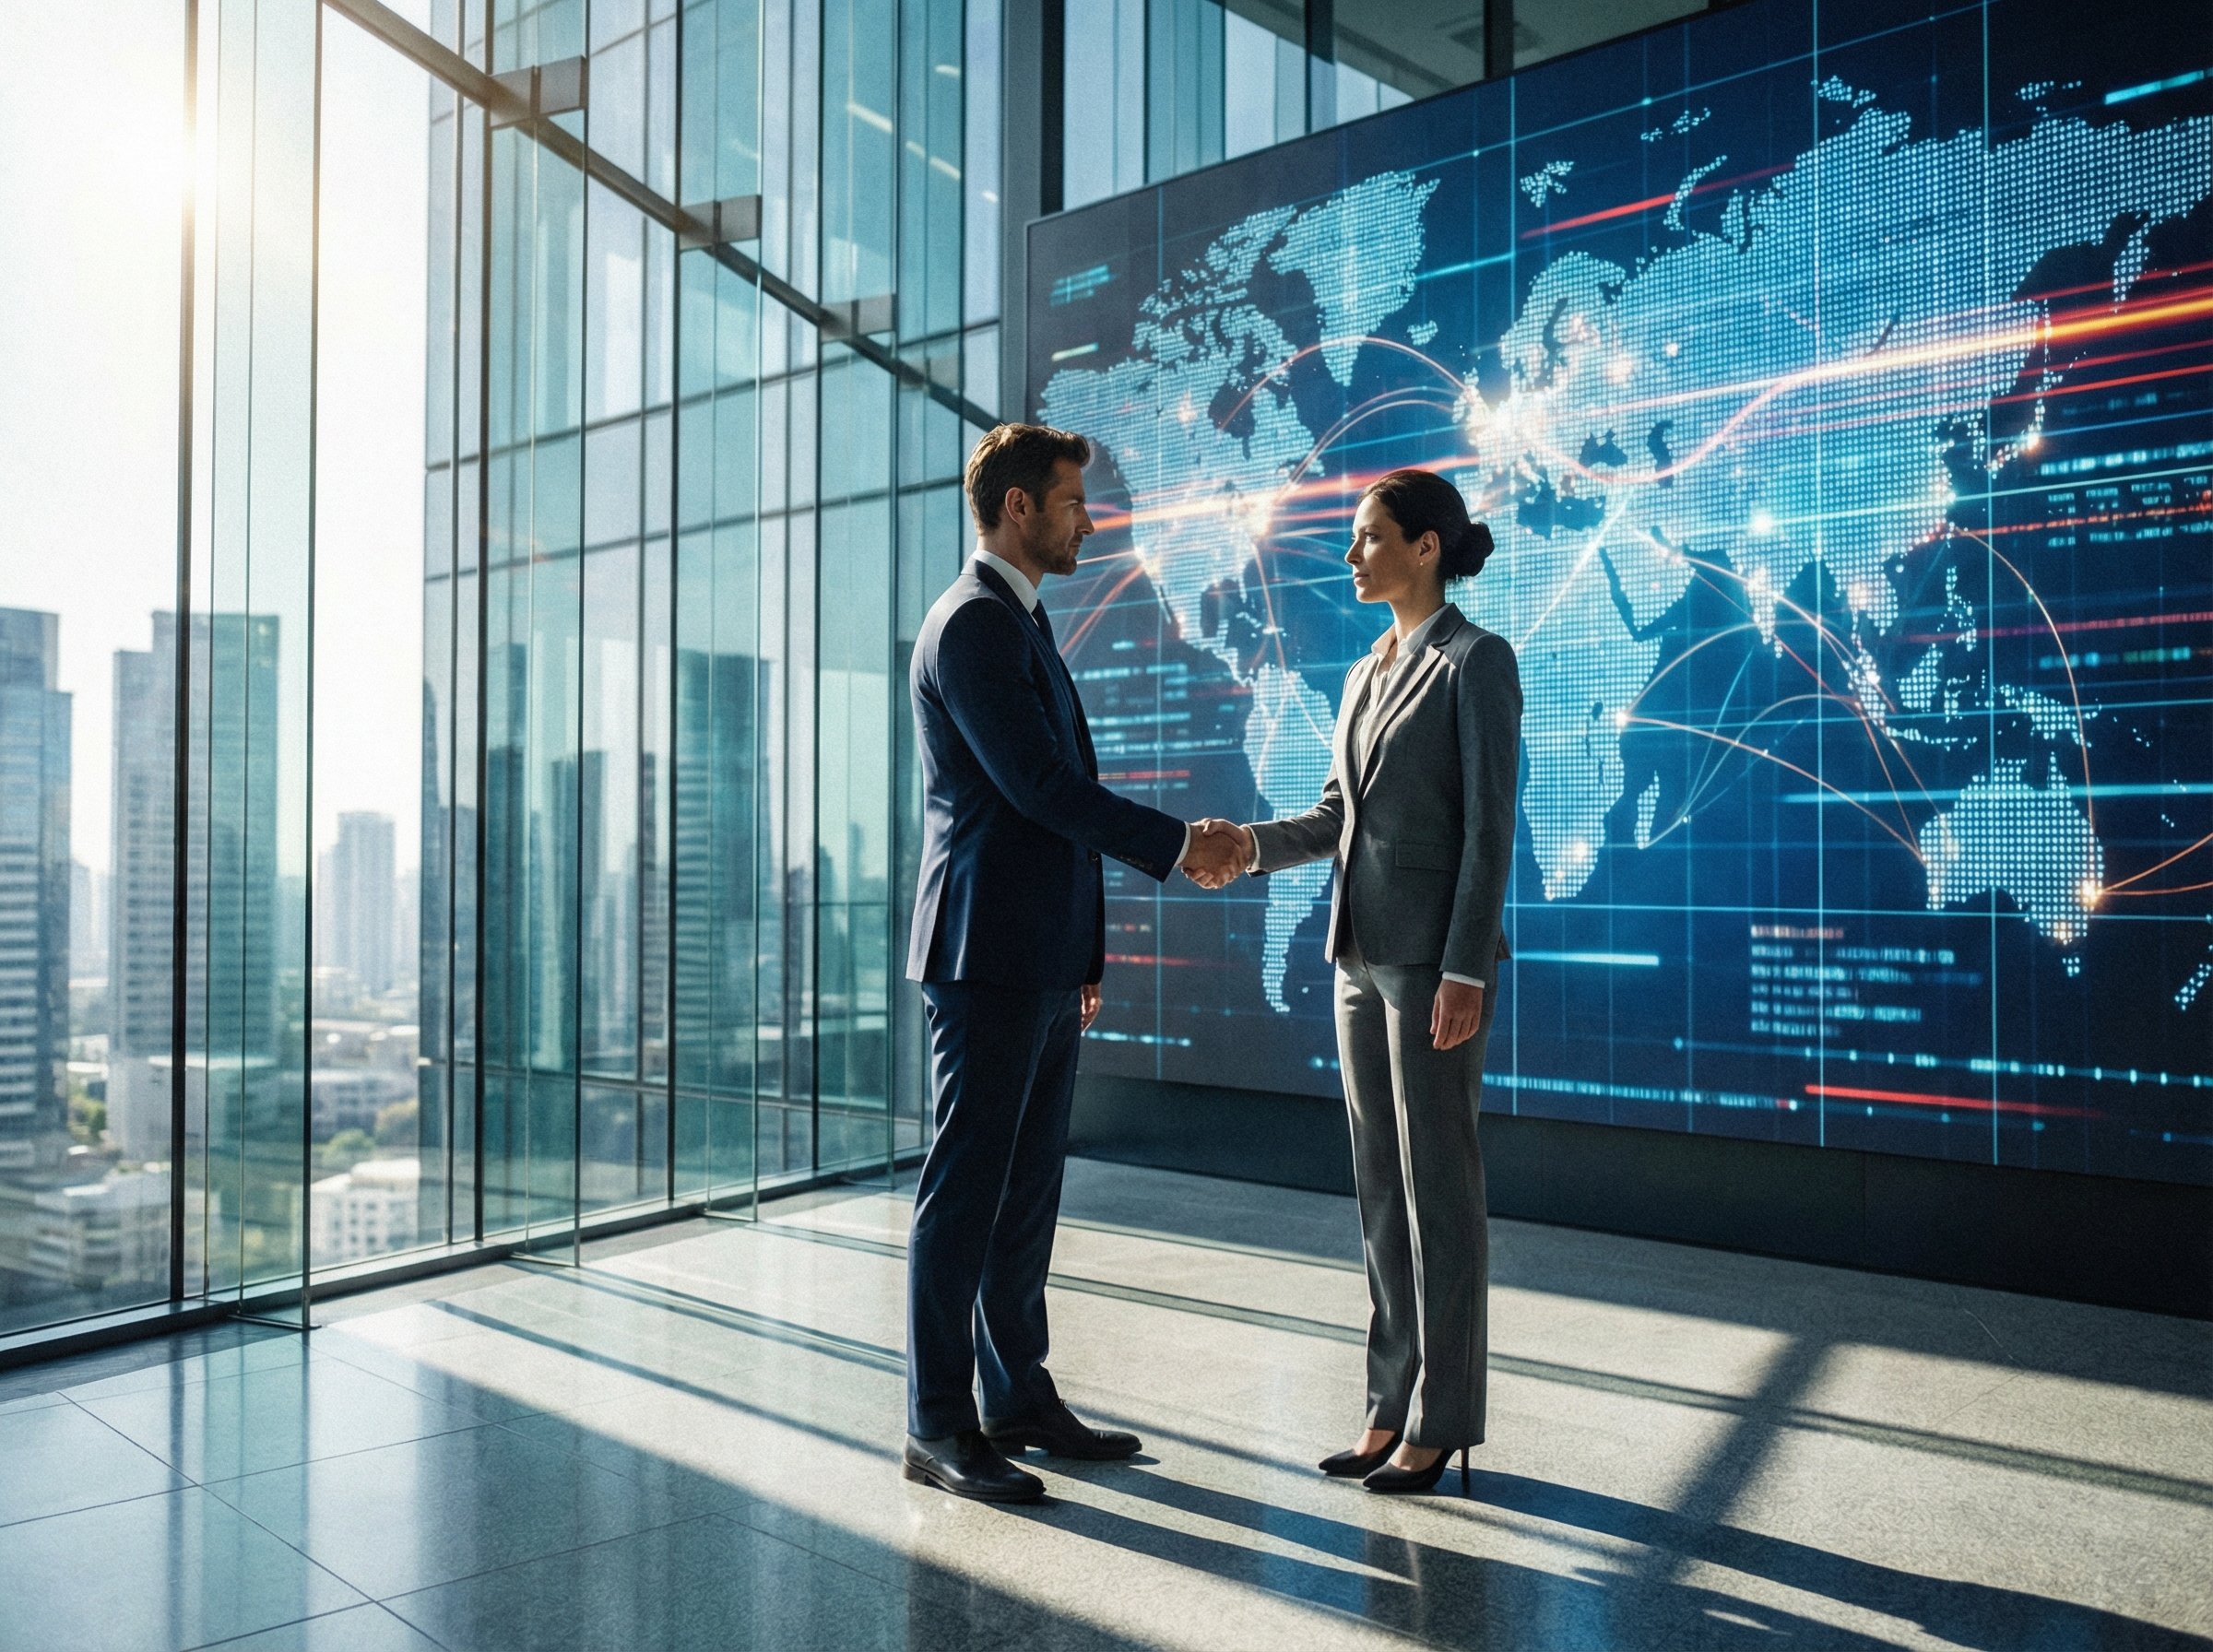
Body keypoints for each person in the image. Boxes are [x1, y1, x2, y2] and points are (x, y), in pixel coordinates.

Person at [903, 422, 1248, 1503]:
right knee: (965, 1193)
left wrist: (1084, 951)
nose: (1088, 519)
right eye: (1070, 502)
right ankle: (938, 1424)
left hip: (1040, 955)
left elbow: (1047, 807)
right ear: (1016, 508)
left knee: (1027, 1192)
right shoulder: (972, 628)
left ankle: (1017, 1396)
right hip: (986, 954)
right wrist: (1182, 844)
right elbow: (1042, 791)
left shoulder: (1021, 623)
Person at [1191, 468, 1521, 1495]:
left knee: (1441, 1194)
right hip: (1355, 960)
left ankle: (1446, 1416)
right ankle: (1388, 1405)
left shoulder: (1478, 662)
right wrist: (1247, 845)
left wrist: (1466, 966)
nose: (1352, 555)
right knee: (1382, 1189)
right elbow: (1339, 813)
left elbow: (1488, 830)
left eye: (1371, 537)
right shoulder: (1367, 669)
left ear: (1426, 547)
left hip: (1433, 969)